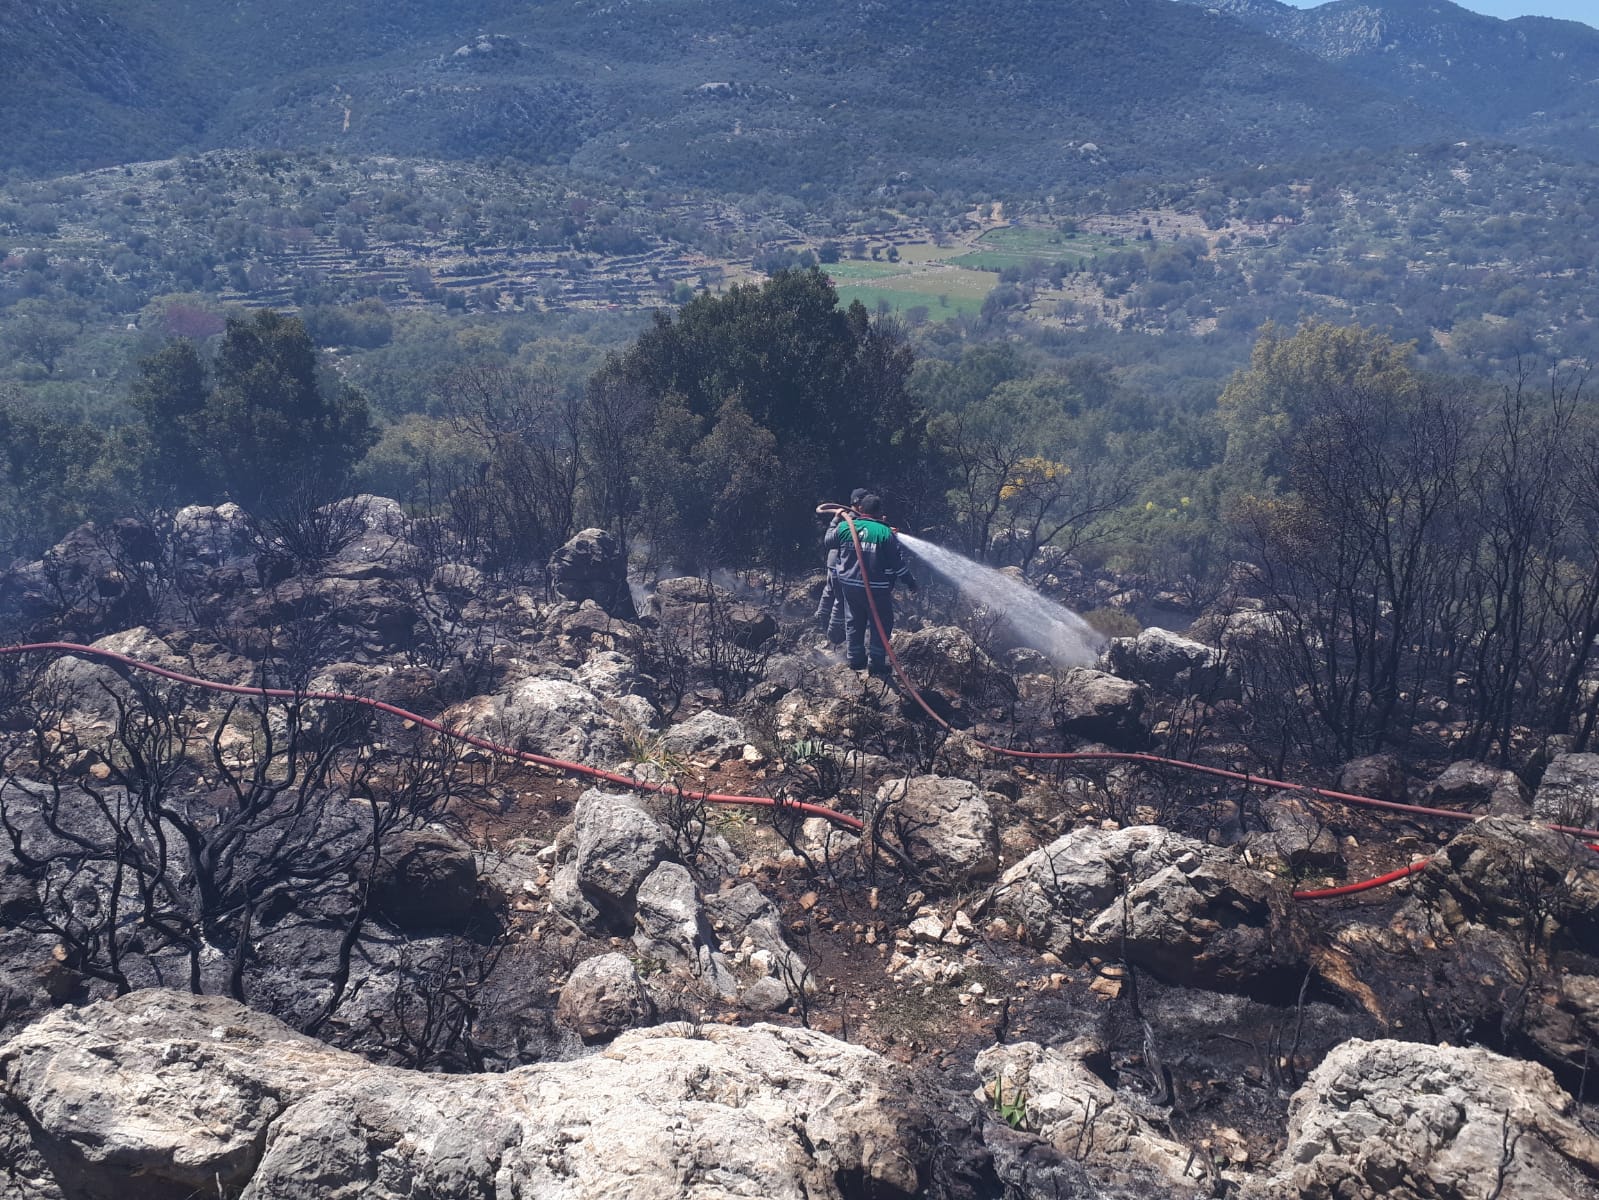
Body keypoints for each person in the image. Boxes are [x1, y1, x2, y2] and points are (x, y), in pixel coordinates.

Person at [825, 493, 917, 675]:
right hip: (877, 590)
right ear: (878, 511)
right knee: (881, 623)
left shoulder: (845, 527)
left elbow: (828, 541)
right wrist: (910, 582)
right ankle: (876, 664)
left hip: (850, 587)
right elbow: (897, 564)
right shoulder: (885, 533)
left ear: (861, 510)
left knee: (854, 621)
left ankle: (855, 660)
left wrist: (835, 520)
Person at [814, 488, 867, 644]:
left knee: (829, 590)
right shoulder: (851, 522)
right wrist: (835, 520)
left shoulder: (849, 520)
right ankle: (834, 634)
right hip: (839, 565)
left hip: (833, 563)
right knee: (840, 597)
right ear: (858, 504)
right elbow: (830, 539)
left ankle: (820, 618)